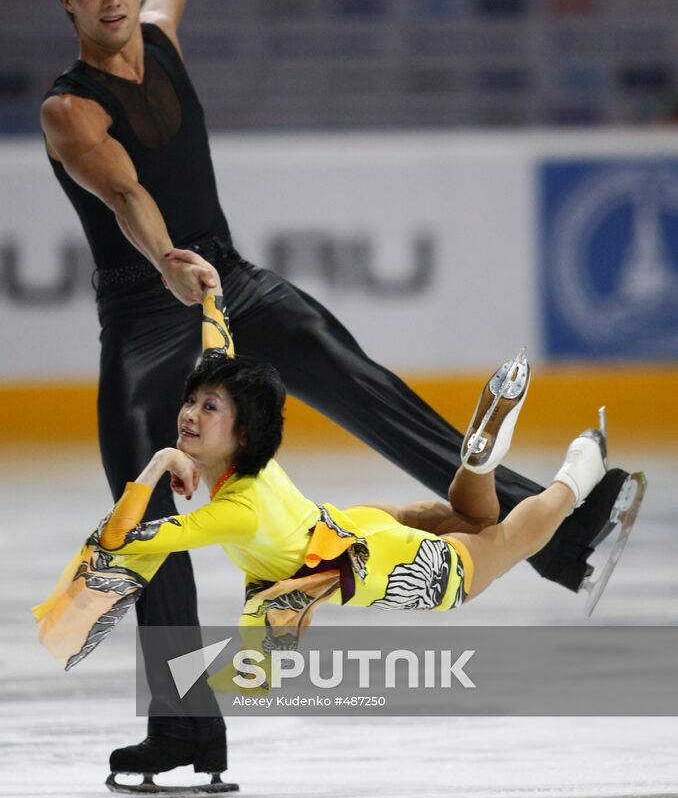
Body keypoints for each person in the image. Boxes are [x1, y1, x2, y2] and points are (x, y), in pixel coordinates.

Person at [40, 0, 631, 781]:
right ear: (70, 5)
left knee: (365, 386)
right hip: (145, 312)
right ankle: (186, 732)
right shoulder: (67, 108)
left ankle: (568, 528)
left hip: (234, 281)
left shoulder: (158, 33)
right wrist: (167, 259)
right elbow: (125, 193)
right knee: (149, 515)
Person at [34, 280, 612, 794]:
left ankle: (577, 473)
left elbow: (126, 540)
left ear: (240, 427)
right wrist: (212, 297)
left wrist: (160, 465)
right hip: (357, 528)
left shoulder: (233, 511)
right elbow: (221, 356)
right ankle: (478, 460)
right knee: (476, 526)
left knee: (509, 540)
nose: (189, 412)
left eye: (208, 406)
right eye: (190, 401)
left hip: (385, 565)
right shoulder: (254, 459)